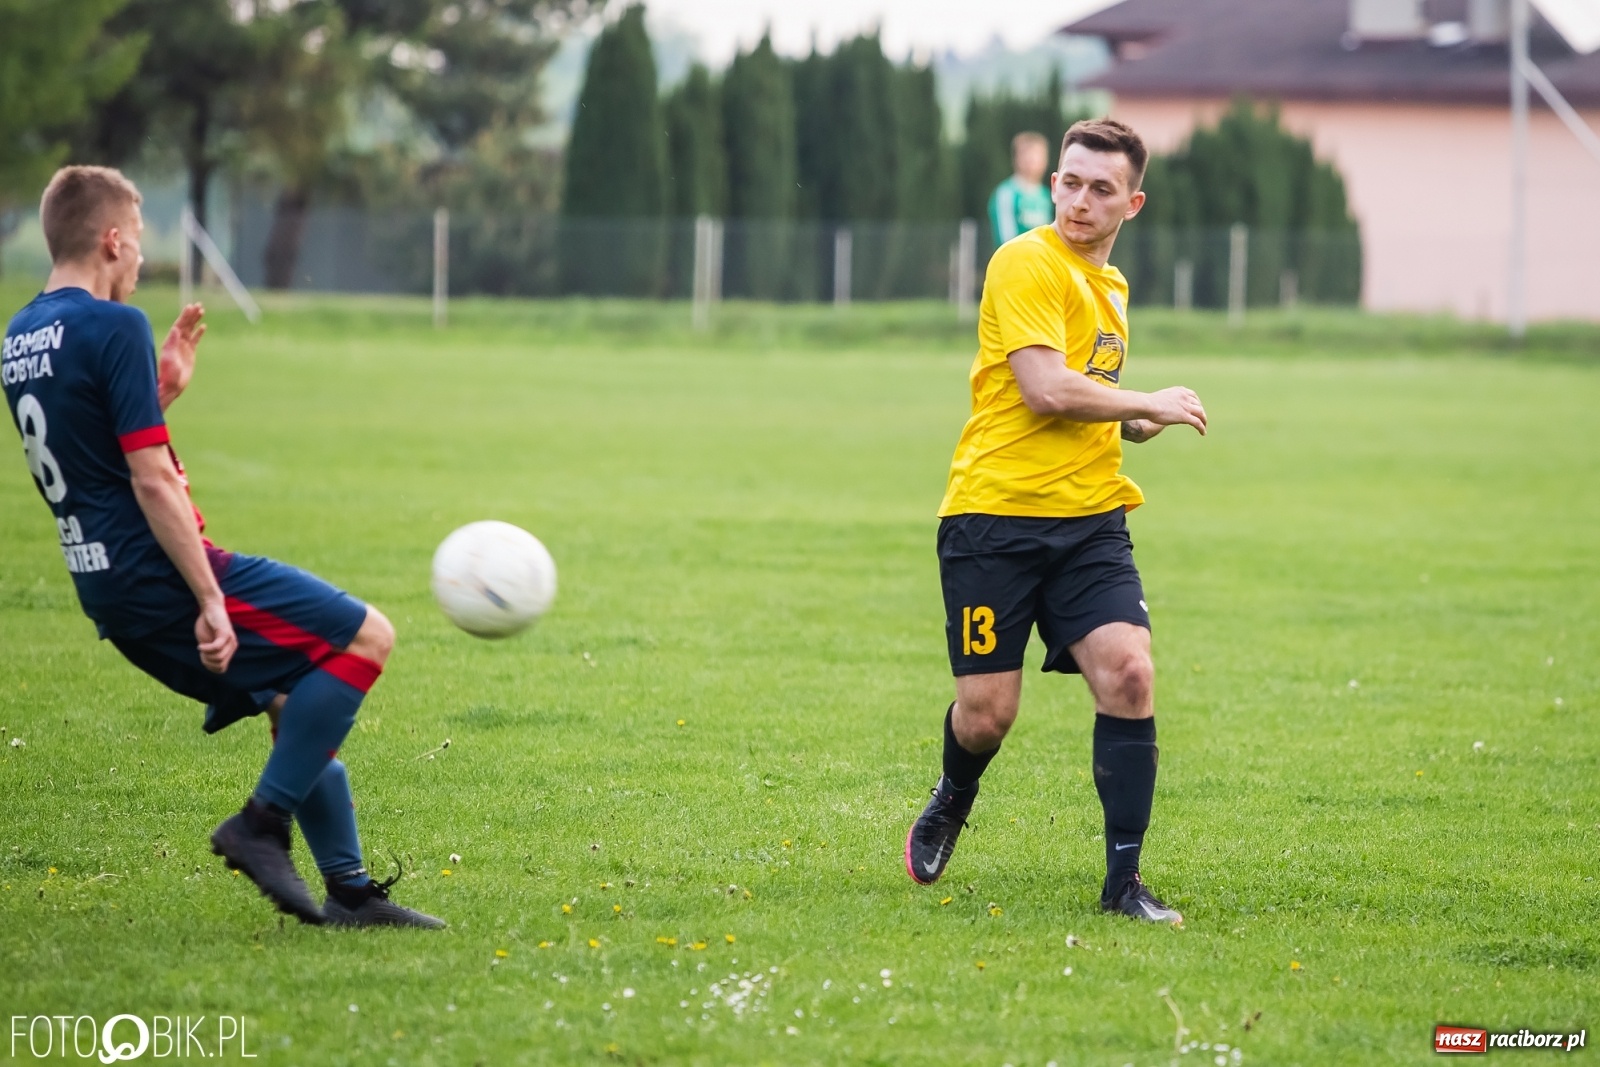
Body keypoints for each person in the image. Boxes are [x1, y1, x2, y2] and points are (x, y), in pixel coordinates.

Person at [2, 166, 442, 929]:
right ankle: (259, 825)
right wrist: (211, 596)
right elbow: (148, 480)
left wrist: (159, 391)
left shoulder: (20, 335)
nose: (140, 259)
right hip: (159, 571)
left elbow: (86, 446)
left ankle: (349, 892)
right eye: (136, 242)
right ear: (111, 240)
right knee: (366, 636)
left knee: (288, 700)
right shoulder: (115, 326)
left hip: (102, 581)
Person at [905, 119, 1208, 924]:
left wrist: (1138, 423)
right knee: (986, 715)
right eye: (1070, 182)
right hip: (992, 519)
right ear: (1053, 185)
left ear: (1132, 203)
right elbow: (1044, 387)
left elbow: (1088, 397)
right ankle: (952, 794)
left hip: (1088, 522)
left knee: (1131, 674)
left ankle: (1123, 885)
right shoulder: (1024, 262)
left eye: (1100, 189)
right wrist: (1143, 398)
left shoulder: (1111, 290)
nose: (1079, 200)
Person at [987, 131, 1056, 248]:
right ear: (1016, 158)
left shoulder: (1046, 195)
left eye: (1037, 156)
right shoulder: (1006, 193)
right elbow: (1006, 240)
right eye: (1027, 155)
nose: (1032, 161)